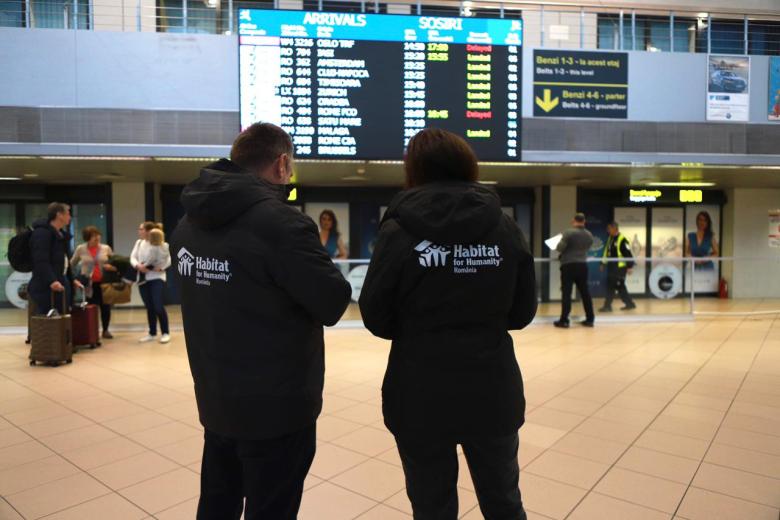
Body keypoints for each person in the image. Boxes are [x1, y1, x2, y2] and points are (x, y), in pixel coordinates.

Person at [171, 122, 351, 520]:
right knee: (272, 508)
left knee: (217, 503)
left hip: (217, 399)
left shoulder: (188, 225)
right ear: (282, 164)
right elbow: (333, 301)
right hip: (278, 410)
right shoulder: (282, 225)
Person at [359, 128, 537, 520]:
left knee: (432, 506)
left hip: (419, 390)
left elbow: (374, 314)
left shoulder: (398, 230)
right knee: (504, 501)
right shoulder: (504, 227)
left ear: (414, 170)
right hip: (491, 386)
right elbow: (523, 313)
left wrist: (418, 328)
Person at [28, 202, 79, 316]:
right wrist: (51, 280)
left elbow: (64, 261)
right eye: (68, 213)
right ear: (59, 215)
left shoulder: (60, 234)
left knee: (62, 316)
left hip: (61, 280)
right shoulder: (42, 233)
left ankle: (61, 334)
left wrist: (72, 279)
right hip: (46, 285)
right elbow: (40, 260)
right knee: (46, 320)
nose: (69, 217)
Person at [71, 226, 117, 338]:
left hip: (104, 283)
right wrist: (72, 278)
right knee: (91, 307)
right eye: (93, 236)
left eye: (98, 235)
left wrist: (112, 267)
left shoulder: (106, 248)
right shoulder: (81, 249)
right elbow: (72, 263)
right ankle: (92, 331)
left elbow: (115, 263)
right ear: (87, 238)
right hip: (89, 284)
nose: (97, 237)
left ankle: (105, 330)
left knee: (105, 307)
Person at [554, 213, 595, 328]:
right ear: (584, 221)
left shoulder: (568, 233)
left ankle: (564, 320)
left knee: (566, 293)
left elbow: (559, 248)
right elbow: (588, 247)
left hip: (568, 265)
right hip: (582, 265)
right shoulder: (589, 235)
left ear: (574, 221)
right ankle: (590, 318)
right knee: (585, 293)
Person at [134, 226, 171, 344]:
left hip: (157, 278)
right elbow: (133, 257)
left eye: (142, 229)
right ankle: (152, 332)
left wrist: (161, 268)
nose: (140, 231)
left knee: (158, 305)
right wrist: (139, 266)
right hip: (143, 278)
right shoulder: (140, 243)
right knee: (149, 306)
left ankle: (165, 332)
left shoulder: (164, 245)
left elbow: (169, 259)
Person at [599, 222, 636, 312]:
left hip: (620, 267)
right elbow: (606, 253)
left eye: (609, 229)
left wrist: (630, 266)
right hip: (612, 267)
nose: (608, 231)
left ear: (615, 228)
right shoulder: (610, 239)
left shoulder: (622, 239)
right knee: (619, 286)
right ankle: (629, 304)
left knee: (613, 286)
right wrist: (602, 263)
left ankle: (607, 306)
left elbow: (628, 254)